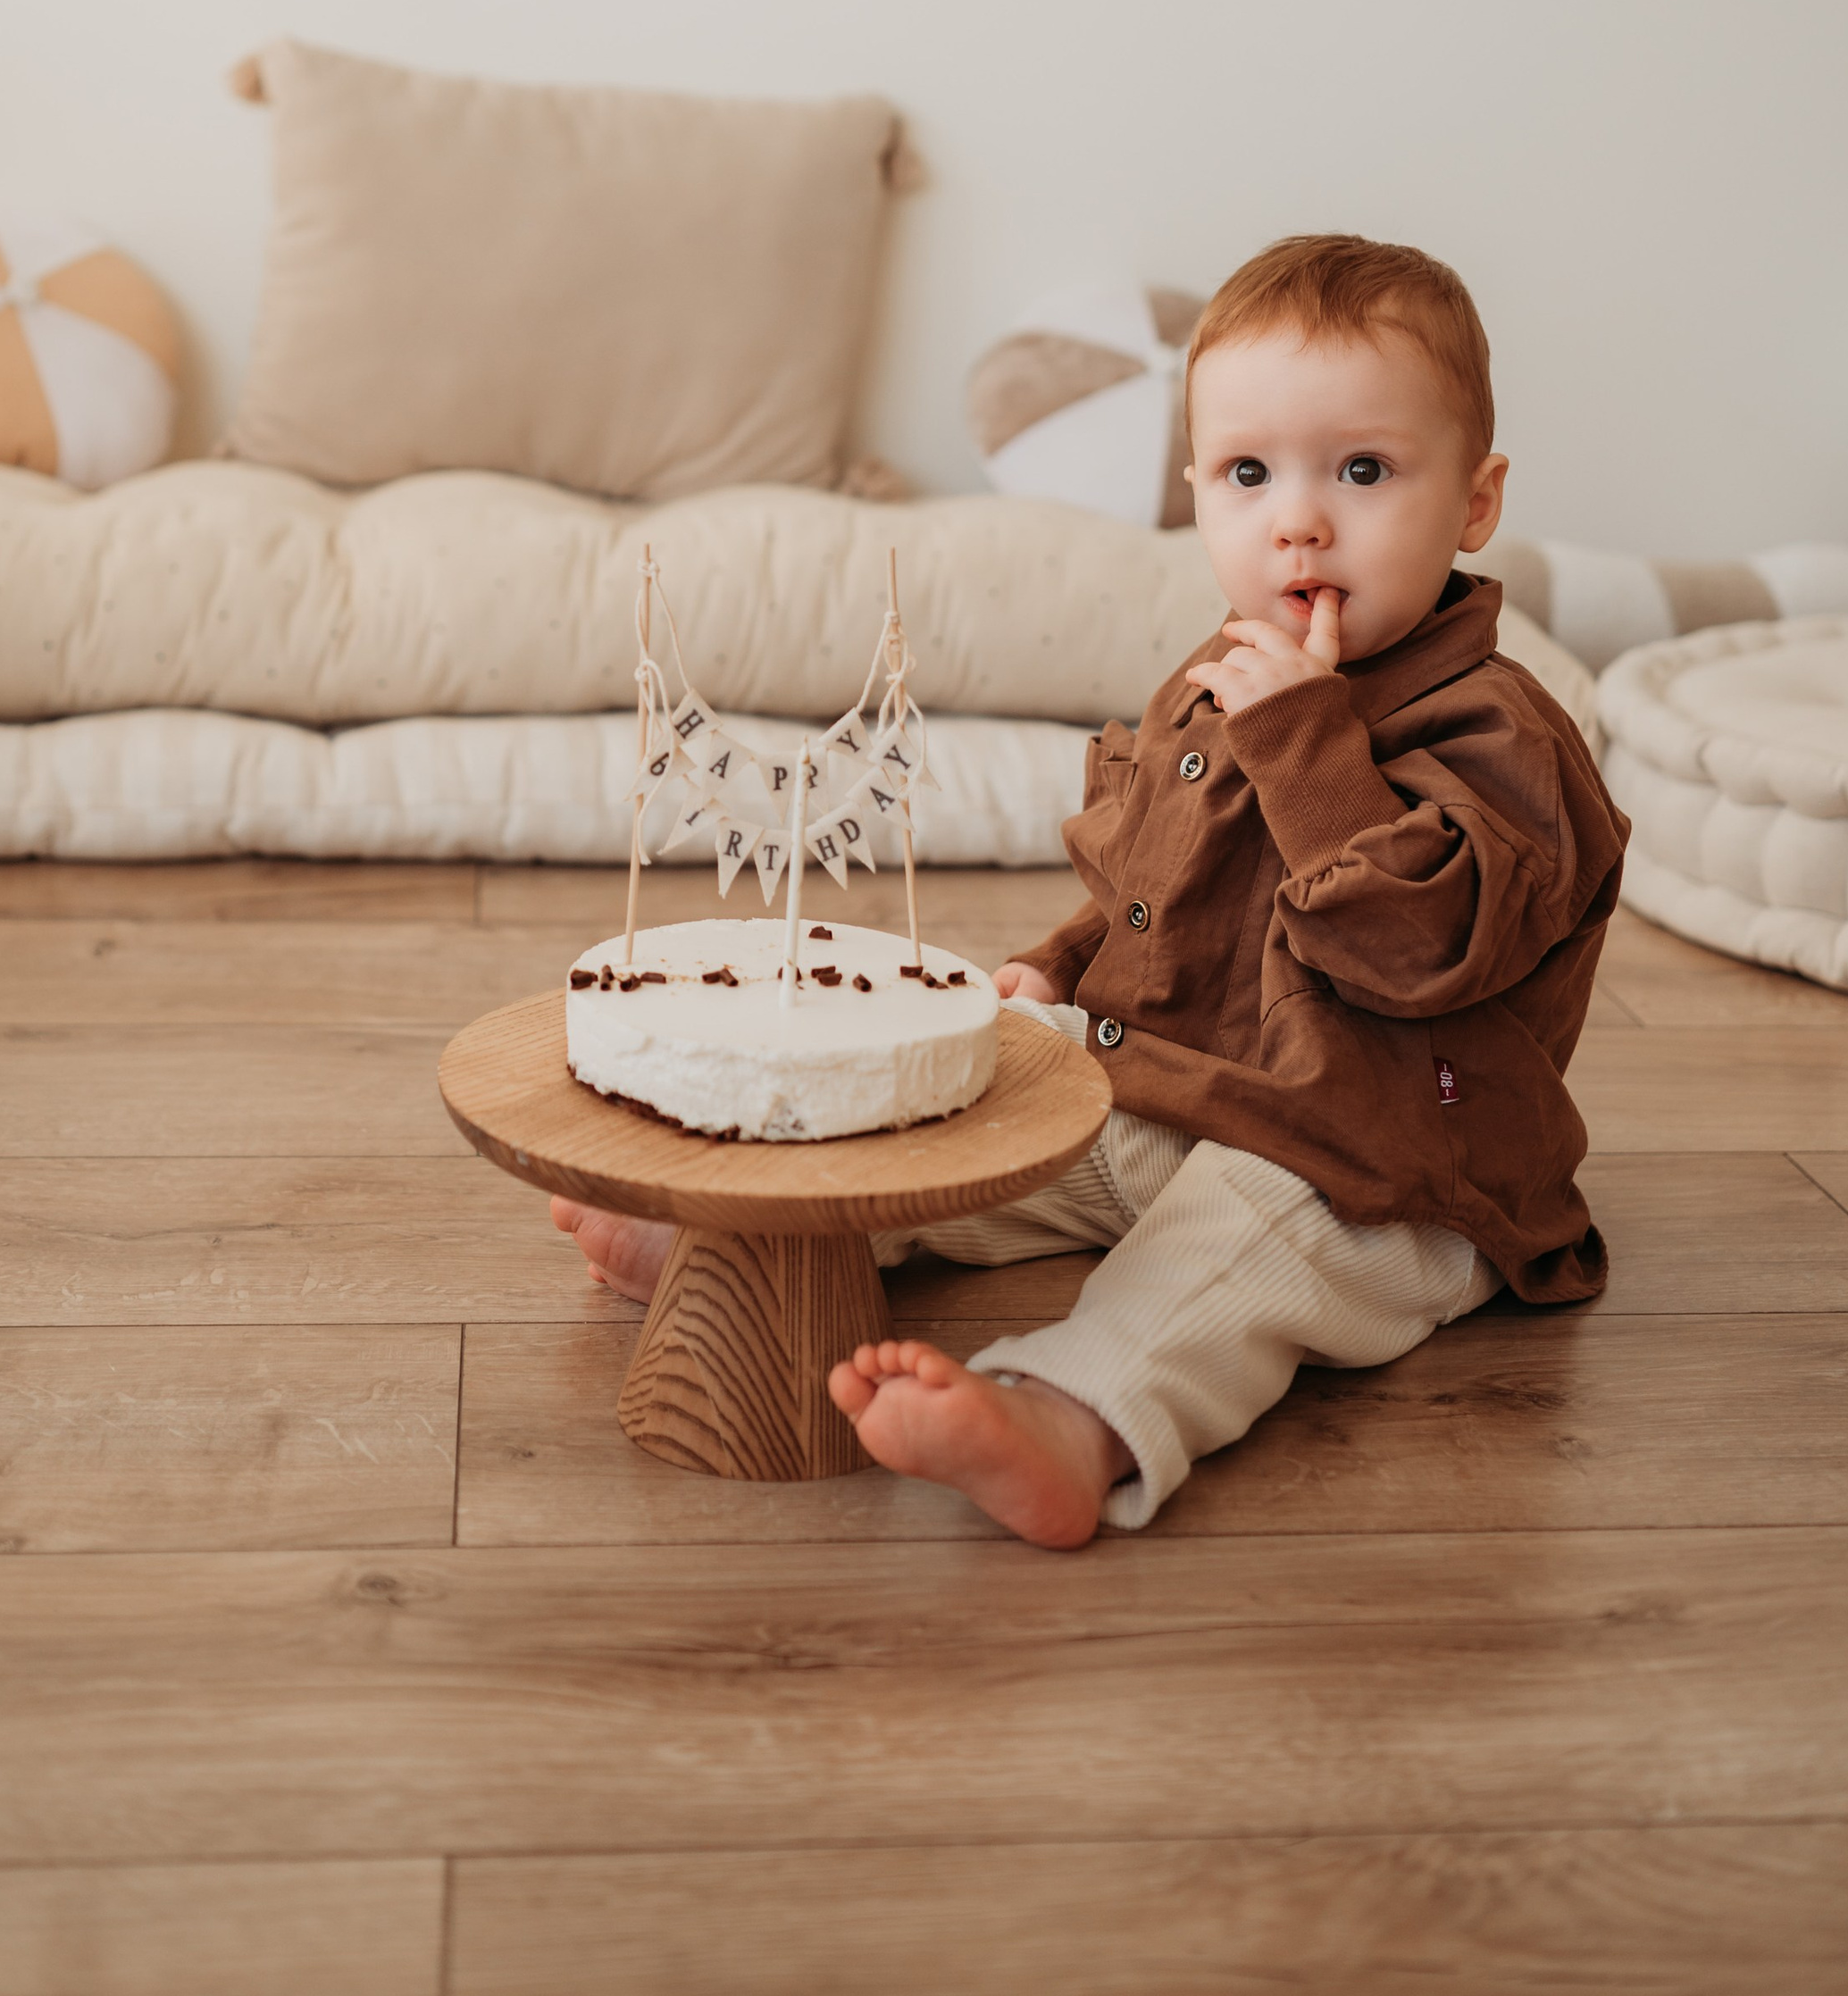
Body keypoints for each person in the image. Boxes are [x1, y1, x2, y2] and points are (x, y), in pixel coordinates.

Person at [556, 232, 1627, 1546]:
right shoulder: (1222, 677)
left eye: (1363, 470)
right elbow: (1159, 886)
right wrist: (1062, 967)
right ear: (1197, 494)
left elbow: (1423, 950)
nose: (1298, 519)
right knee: (985, 1093)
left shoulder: (1504, 735)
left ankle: (1070, 1419)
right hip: (1177, 1082)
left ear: (1474, 502)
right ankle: (759, 1243)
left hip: (1384, 1164)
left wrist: (1308, 748)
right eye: (1249, 474)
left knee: (1225, 1252)